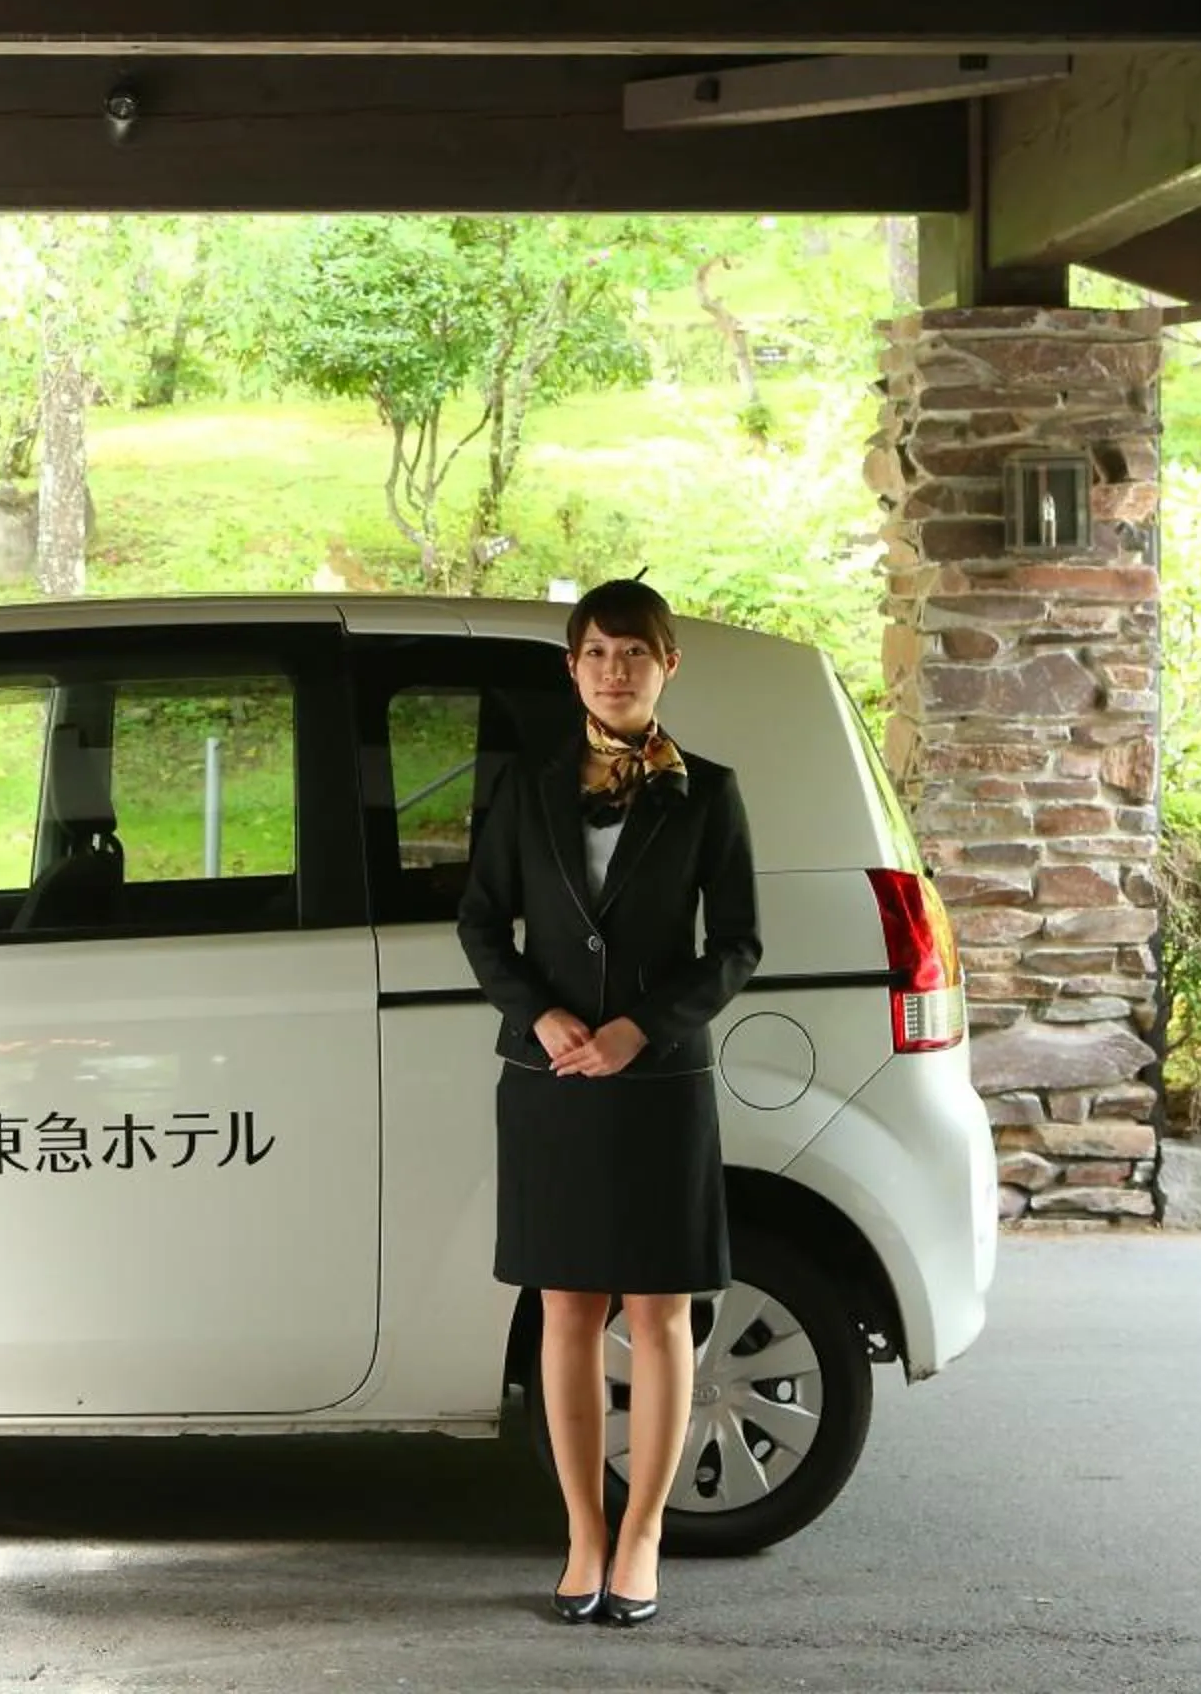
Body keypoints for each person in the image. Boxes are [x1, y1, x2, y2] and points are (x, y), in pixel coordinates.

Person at [456, 578, 760, 1630]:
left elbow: (736, 946)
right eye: (595, 651)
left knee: (661, 1308)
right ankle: (584, 1530)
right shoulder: (527, 785)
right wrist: (539, 1017)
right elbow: (484, 924)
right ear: (572, 666)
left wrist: (642, 1028)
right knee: (567, 1307)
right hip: (548, 1078)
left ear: (667, 664)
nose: (614, 668)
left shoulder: (709, 791)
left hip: (658, 1082)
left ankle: (643, 1533)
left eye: (635, 651)